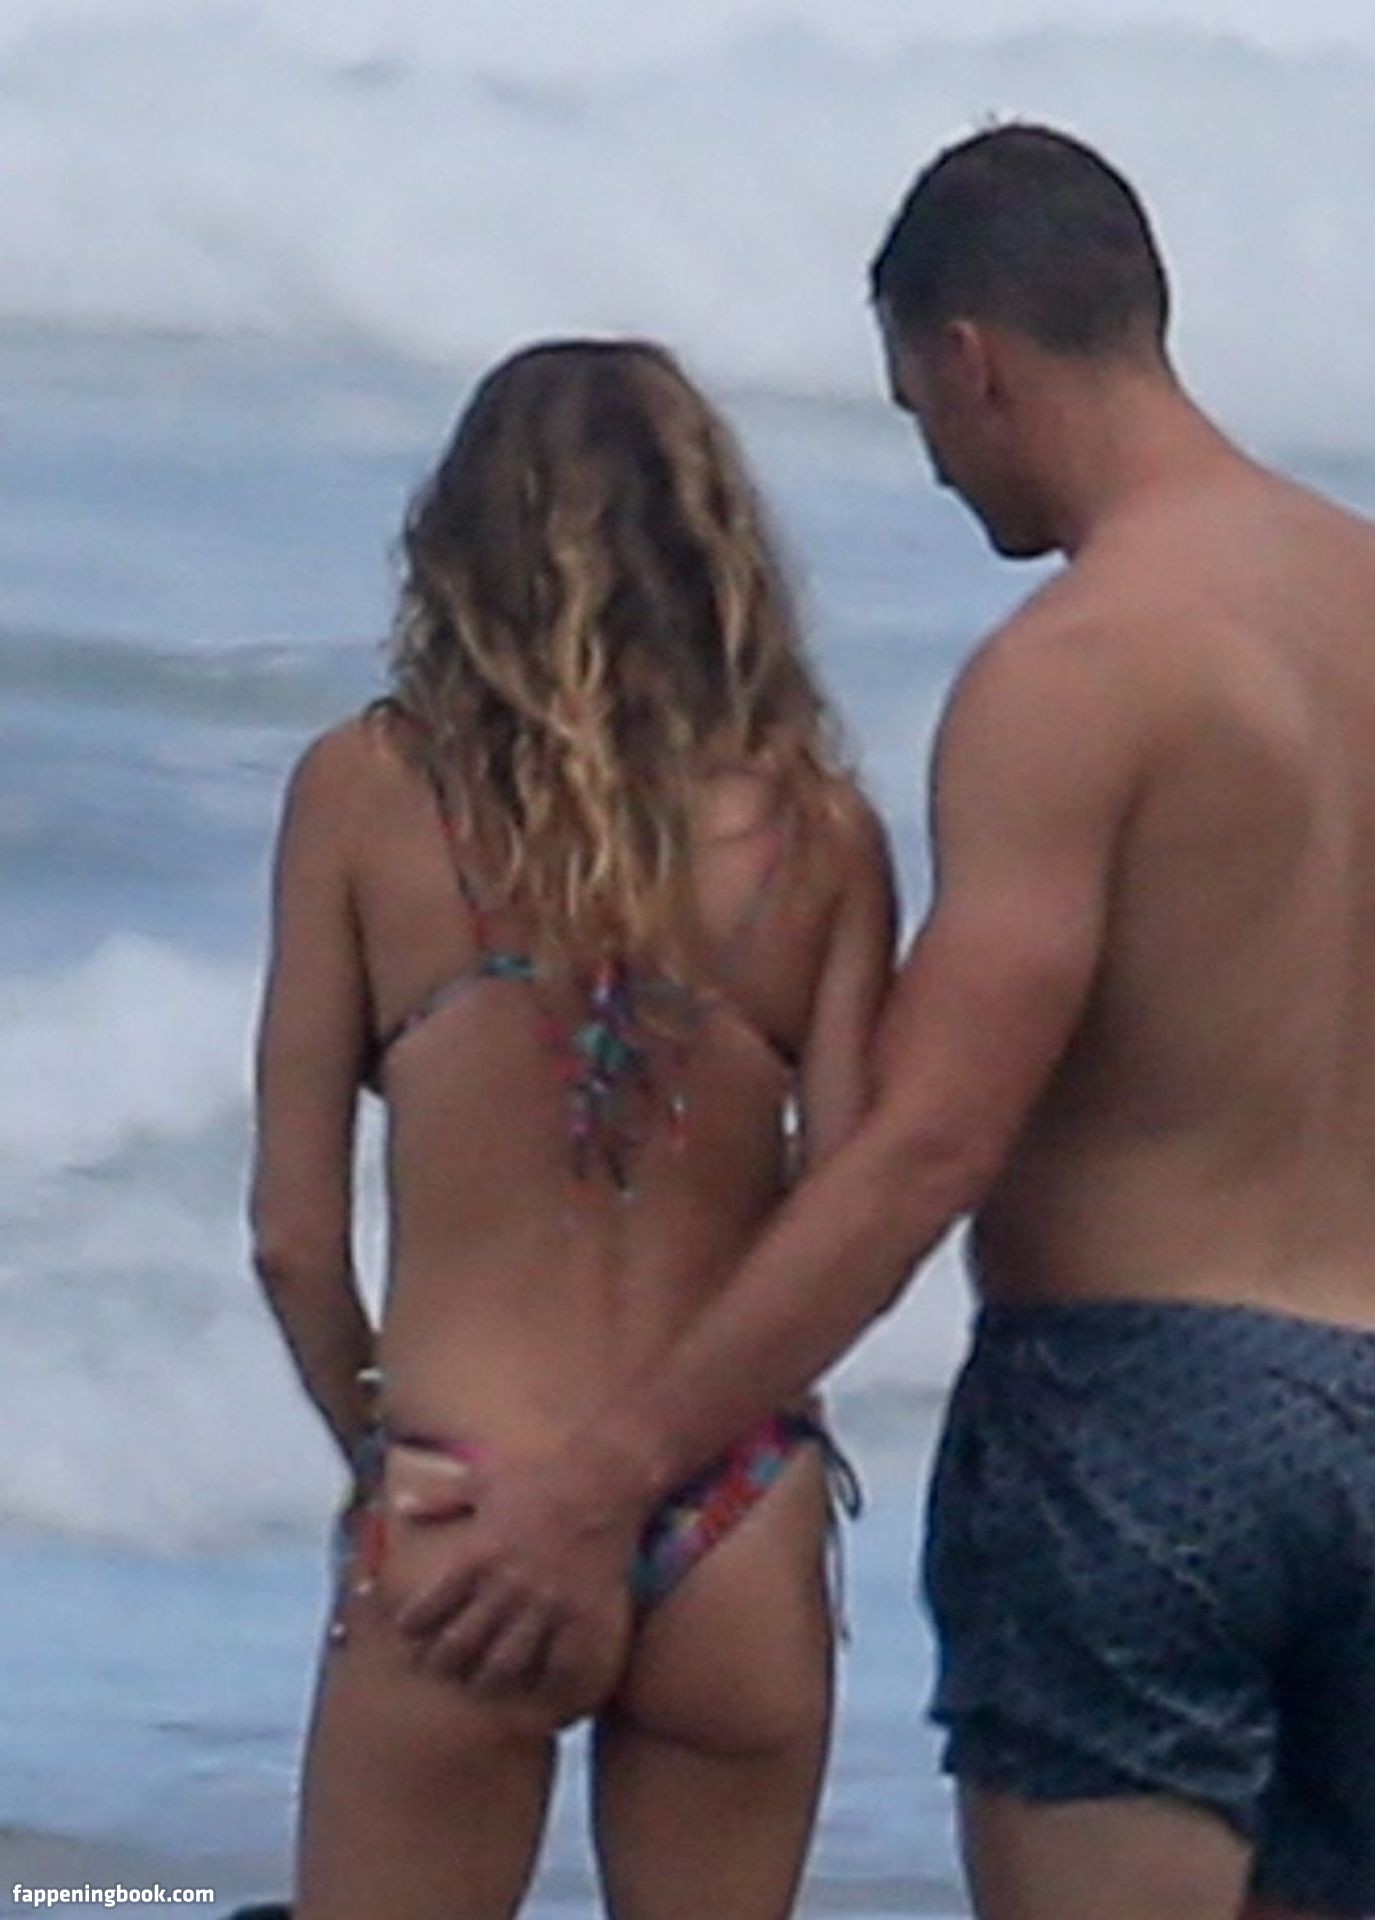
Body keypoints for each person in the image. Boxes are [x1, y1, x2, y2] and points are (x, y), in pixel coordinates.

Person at [394, 128, 1375, 1920]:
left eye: (920, 411)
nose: (931, 464)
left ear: (971, 358)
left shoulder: (1077, 671)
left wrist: (612, 1476)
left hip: (1146, 1420)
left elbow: (923, 1148)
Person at [249, 338, 896, 1920]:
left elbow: (292, 1238)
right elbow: (850, 1221)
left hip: (463, 1501)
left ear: (459, 542)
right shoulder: (822, 835)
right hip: (735, 1516)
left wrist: (376, 1456)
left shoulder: (364, 792)